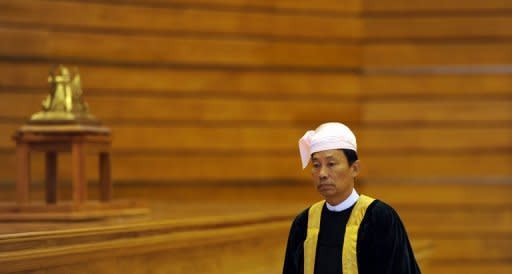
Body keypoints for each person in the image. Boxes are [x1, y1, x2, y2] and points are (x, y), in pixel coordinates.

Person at [283, 122, 421, 274]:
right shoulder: (304, 223)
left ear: (354, 168)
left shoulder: (378, 218)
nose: (322, 173)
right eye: (316, 165)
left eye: (331, 164)